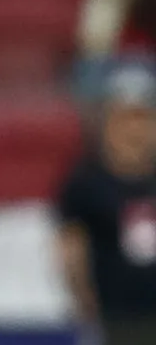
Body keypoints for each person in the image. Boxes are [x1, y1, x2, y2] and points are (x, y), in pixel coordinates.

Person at [59, 65, 156, 322]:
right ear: (107, 123)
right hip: (112, 321)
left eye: (142, 119)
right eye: (124, 119)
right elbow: (72, 250)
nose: (134, 130)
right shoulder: (85, 183)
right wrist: (85, 305)